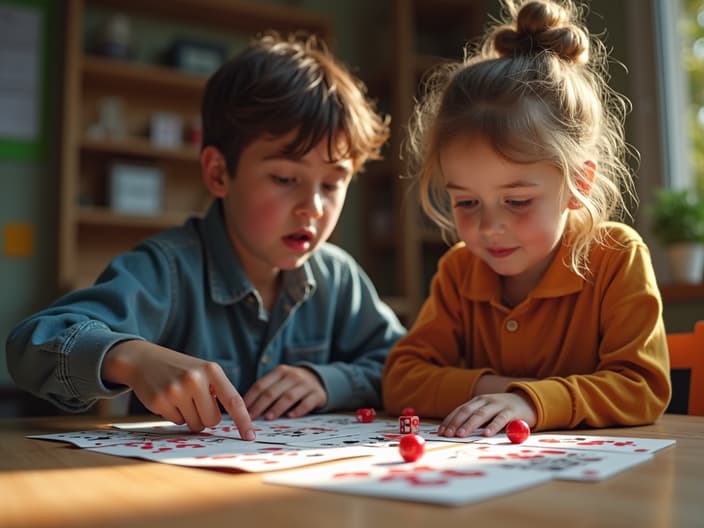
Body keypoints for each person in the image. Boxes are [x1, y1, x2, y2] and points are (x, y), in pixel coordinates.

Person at [7, 33, 405, 439]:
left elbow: (404, 366)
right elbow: (30, 346)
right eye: (285, 178)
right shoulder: (168, 270)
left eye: (333, 183)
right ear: (218, 173)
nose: (314, 207)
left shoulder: (339, 278)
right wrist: (128, 357)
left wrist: (328, 381)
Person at [382, 0, 671, 437]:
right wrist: (497, 389)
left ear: (578, 183)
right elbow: (401, 378)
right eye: (466, 203)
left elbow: (641, 388)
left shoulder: (616, 257)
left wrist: (531, 402)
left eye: (516, 201)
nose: (488, 228)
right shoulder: (459, 271)